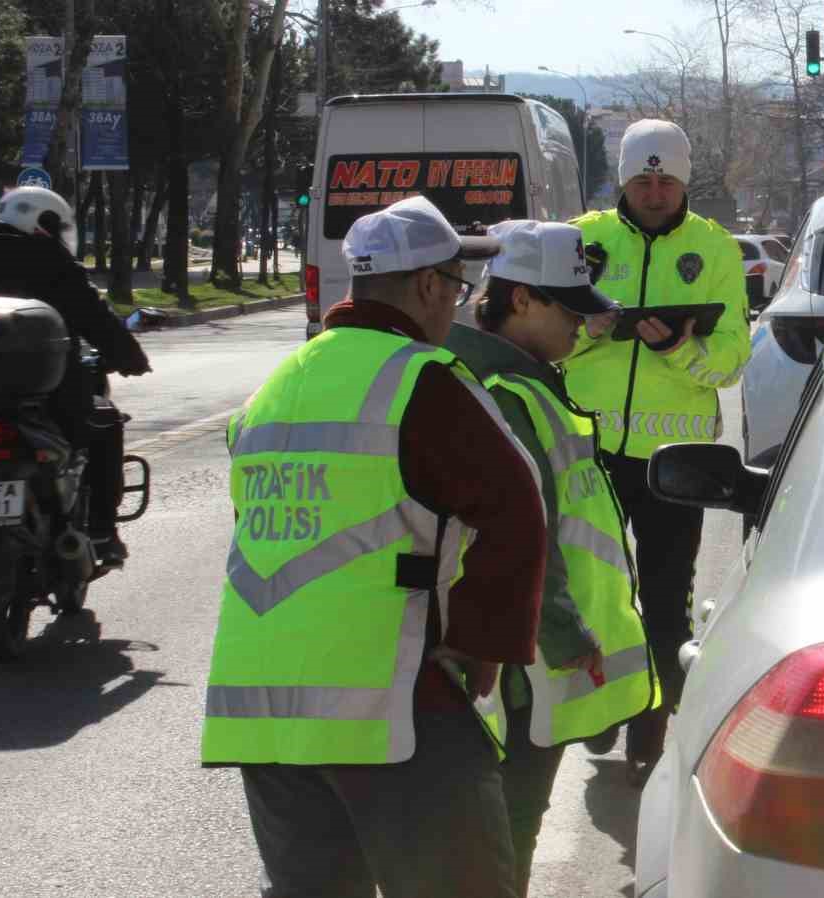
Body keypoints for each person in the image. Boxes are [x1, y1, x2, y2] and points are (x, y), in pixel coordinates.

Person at [201, 196, 549, 898]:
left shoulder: (279, 383)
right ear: (425, 286)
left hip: (262, 713)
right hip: (392, 703)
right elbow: (518, 511)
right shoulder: (422, 380)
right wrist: (480, 645)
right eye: (456, 285)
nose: (457, 303)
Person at [445, 219, 656, 896]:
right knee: (505, 833)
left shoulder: (525, 381)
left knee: (499, 836)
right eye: (571, 308)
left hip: (523, 656)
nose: (583, 325)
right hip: (520, 665)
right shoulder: (503, 393)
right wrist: (565, 634)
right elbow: (522, 531)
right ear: (522, 301)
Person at [566, 119, 750, 783]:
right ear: (623, 178)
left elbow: (733, 359)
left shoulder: (717, 249)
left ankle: (652, 722)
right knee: (596, 591)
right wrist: (589, 332)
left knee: (668, 597)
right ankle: (604, 702)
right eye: (642, 179)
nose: (653, 190)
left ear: (684, 181)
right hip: (591, 452)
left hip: (678, 459)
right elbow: (544, 333)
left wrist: (680, 350)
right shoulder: (582, 240)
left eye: (665, 179)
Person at [0, 186, 151, 565]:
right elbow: (92, 316)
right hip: (51, 397)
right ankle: (102, 531)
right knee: (104, 424)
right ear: (46, 223)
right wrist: (130, 358)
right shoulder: (48, 258)